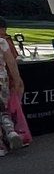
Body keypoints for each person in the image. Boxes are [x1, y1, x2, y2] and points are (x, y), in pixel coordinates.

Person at [0, 15, 26, 152]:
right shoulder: (3, 42)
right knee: (3, 109)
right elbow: (12, 63)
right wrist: (17, 80)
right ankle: (10, 131)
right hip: (2, 80)